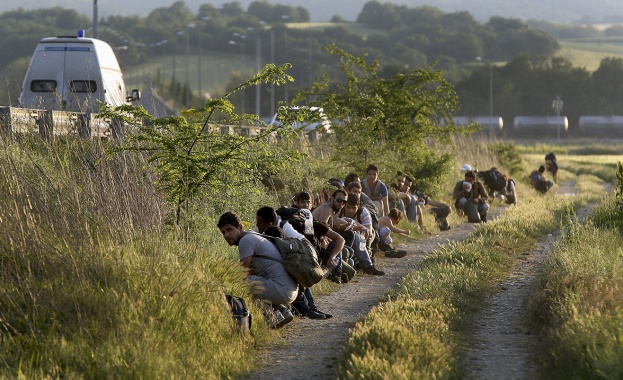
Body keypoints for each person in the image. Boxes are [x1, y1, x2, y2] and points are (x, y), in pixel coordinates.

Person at [217, 212, 297, 328]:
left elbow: (241, 273)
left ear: (240, 227)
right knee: (253, 280)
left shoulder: (246, 241)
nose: (226, 235)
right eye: (223, 232)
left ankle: (272, 316)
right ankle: (283, 311)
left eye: (229, 230)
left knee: (244, 283)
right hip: (289, 289)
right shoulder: (253, 235)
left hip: (282, 290)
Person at [255, 206, 333, 320]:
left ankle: (310, 307)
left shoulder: (284, 227)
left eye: (260, 222)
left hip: (290, 255)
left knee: (298, 271)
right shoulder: (258, 229)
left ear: (270, 224)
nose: (257, 225)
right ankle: (304, 308)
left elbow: (301, 240)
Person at [312, 189, 385, 275]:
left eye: (344, 202)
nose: (341, 204)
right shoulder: (327, 208)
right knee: (348, 242)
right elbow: (323, 229)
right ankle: (365, 265)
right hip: (319, 245)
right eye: (339, 200)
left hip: (324, 244)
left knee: (350, 236)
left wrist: (358, 227)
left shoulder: (332, 210)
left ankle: (357, 263)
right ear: (332, 198)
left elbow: (338, 226)